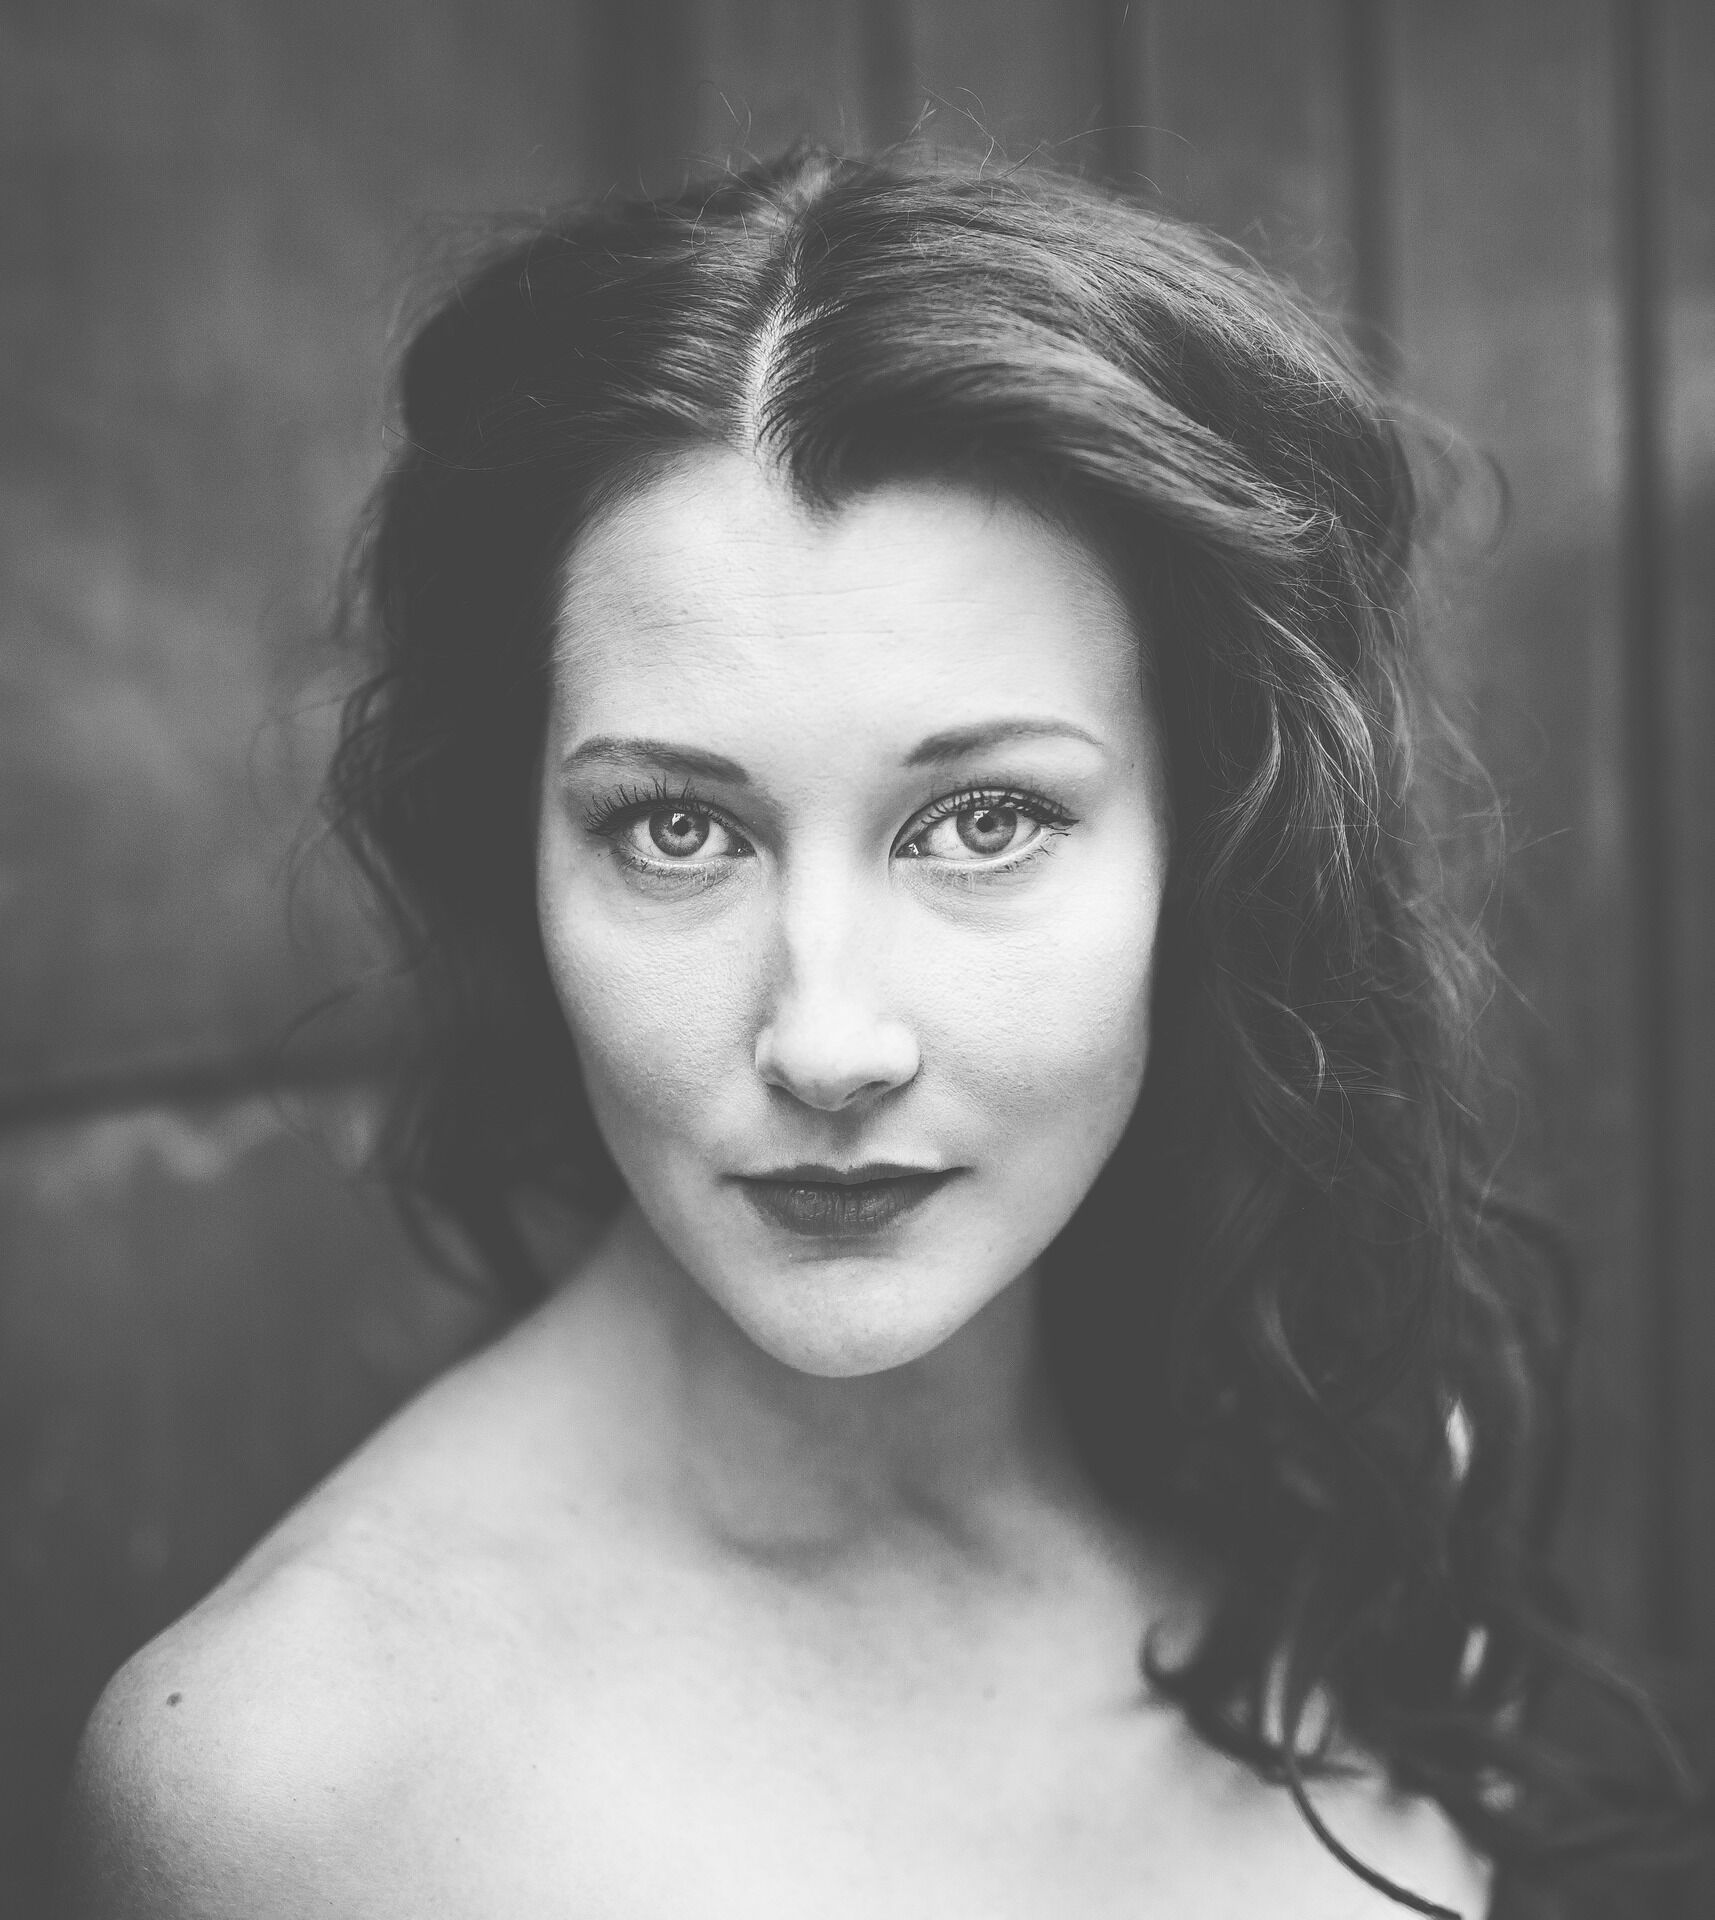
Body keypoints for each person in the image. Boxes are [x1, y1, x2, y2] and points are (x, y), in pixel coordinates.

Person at [59, 146, 1699, 1919]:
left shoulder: (1350, 1465)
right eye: (675, 829)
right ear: (517, 852)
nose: (828, 1043)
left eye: (983, 821)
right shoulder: (294, 1788)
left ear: (1209, 851)